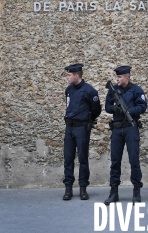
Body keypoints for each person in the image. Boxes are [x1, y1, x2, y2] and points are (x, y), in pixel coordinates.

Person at [104, 66, 147, 205]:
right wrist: (114, 108)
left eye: (120, 77)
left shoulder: (136, 90)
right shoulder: (113, 91)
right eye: (117, 77)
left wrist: (128, 110)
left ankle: (136, 190)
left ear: (126, 78)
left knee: (134, 159)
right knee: (115, 160)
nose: (117, 79)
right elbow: (107, 107)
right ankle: (114, 191)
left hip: (130, 127)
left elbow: (142, 107)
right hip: (117, 129)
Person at [62, 63, 101, 201]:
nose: (67, 77)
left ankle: (83, 188)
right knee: (68, 158)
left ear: (76, 75)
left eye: (69, 75)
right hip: (70, 127)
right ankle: (68, 188)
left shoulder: (90, 91)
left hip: (82, 128)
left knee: (82, 158)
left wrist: (87, 120)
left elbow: (96, 110)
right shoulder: (69, 90)